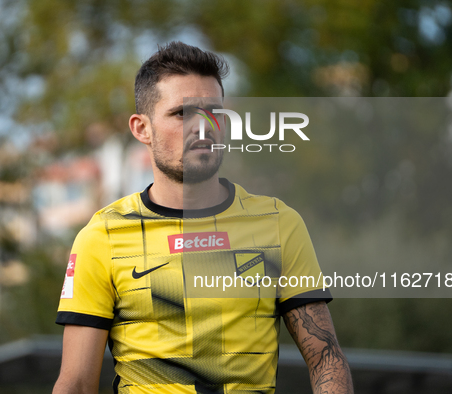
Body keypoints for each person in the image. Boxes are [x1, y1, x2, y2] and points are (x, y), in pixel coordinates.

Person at [53, 41, 353, 394]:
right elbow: (76, 383)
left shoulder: (278, 223)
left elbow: (325, 357)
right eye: (182, 113)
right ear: (141, 128)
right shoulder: (102, 236)